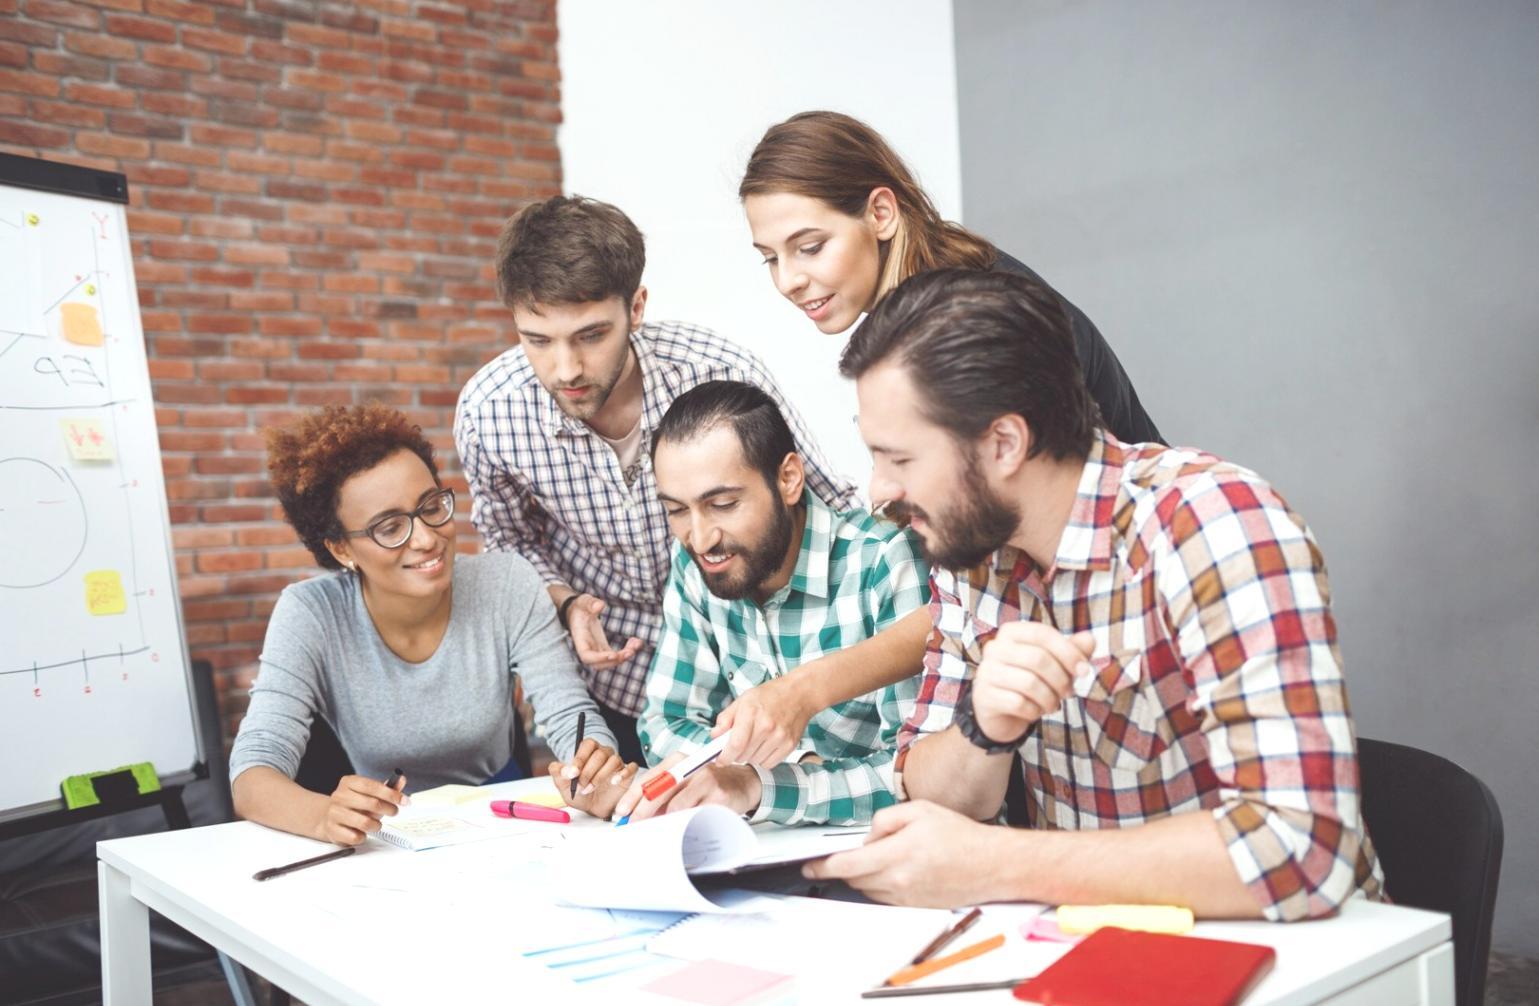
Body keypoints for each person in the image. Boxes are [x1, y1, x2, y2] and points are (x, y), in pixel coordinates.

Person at [805, 269, 1383, 922]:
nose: (877, 491)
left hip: (1293, 957)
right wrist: (981, 727)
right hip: (1093, 945)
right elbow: (932, 804)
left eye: (900, 460)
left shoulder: (1211, 524)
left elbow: (1301, 849)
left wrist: (995, 863)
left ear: (1003, 443)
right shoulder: (969, 549)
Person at [714, 110, 1166, 769]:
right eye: (770, 259)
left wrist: (805, 688)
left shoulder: (972, 325)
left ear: (880, 212)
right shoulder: (915, 320)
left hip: (1119, 624)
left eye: (808, 247)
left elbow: (990, 568)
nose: (788, 280)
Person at [455, 196, 855, 766]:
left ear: (636, 307)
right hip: (618, 686)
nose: (565, 368)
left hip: (760, 674)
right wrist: (566, 605)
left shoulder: (719, 372)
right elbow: (510, 541)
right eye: (538, 340)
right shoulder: (488, 413)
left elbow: (824, 501)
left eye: (591, 336)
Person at [230, 404, 627, 844]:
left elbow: (570, 713)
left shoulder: (506, 582)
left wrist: (596, 765)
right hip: (385, 833)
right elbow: (253, 772)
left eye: (431, 506)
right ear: (342, 549)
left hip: (502, 821)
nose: (425, 538)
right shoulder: (311, 613)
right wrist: (322, 815)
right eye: (390, 527)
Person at [591, 381, 927, 826]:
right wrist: (750, 776)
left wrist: (764, 783)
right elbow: (664, 723)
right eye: (675, 510)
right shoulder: (698, 563)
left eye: (724, 504)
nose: (700, 537)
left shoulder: (883, 561)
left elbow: (917, 775)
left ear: (788, 479)